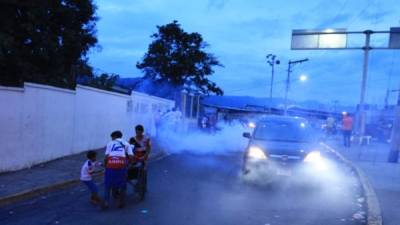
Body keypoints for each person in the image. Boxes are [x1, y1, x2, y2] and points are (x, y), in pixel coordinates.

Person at [102, 130, 133, 209]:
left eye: (112, 137)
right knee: (122, 184)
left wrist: (105, 165)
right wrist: (128, 164)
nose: (112, 139)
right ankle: (121, 202)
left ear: (114, 136)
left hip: (111, 163)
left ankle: (106, 202)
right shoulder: (126, 143)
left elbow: (106, 157)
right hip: (121, 164)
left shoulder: (110, 143)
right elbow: (131, 156)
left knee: (107, 184)